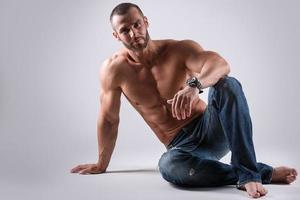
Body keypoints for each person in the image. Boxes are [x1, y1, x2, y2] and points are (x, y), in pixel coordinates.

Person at [70, 2, 297, 198]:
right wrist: (101, 164)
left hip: (213, 129)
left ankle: (248, 173)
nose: (133, 32)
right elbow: (109, 119)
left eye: (137, 24)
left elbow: (220, 64)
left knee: (228, 84)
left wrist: (194, 85)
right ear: (116, 36)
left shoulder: (179, 49)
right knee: (168, 167)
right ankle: (261, 173)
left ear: (146, 22)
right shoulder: (114, 70)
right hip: (181, 147)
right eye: (125, 29)